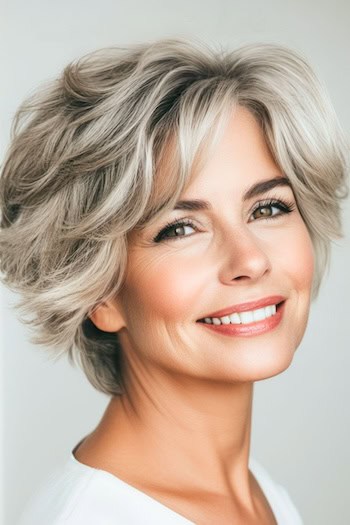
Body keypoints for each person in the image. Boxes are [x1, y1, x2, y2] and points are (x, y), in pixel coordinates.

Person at [0, 37, 348, 525]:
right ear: (97, 290)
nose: (249, 259)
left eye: (267, 207)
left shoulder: (258, 495)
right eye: (180, 228)